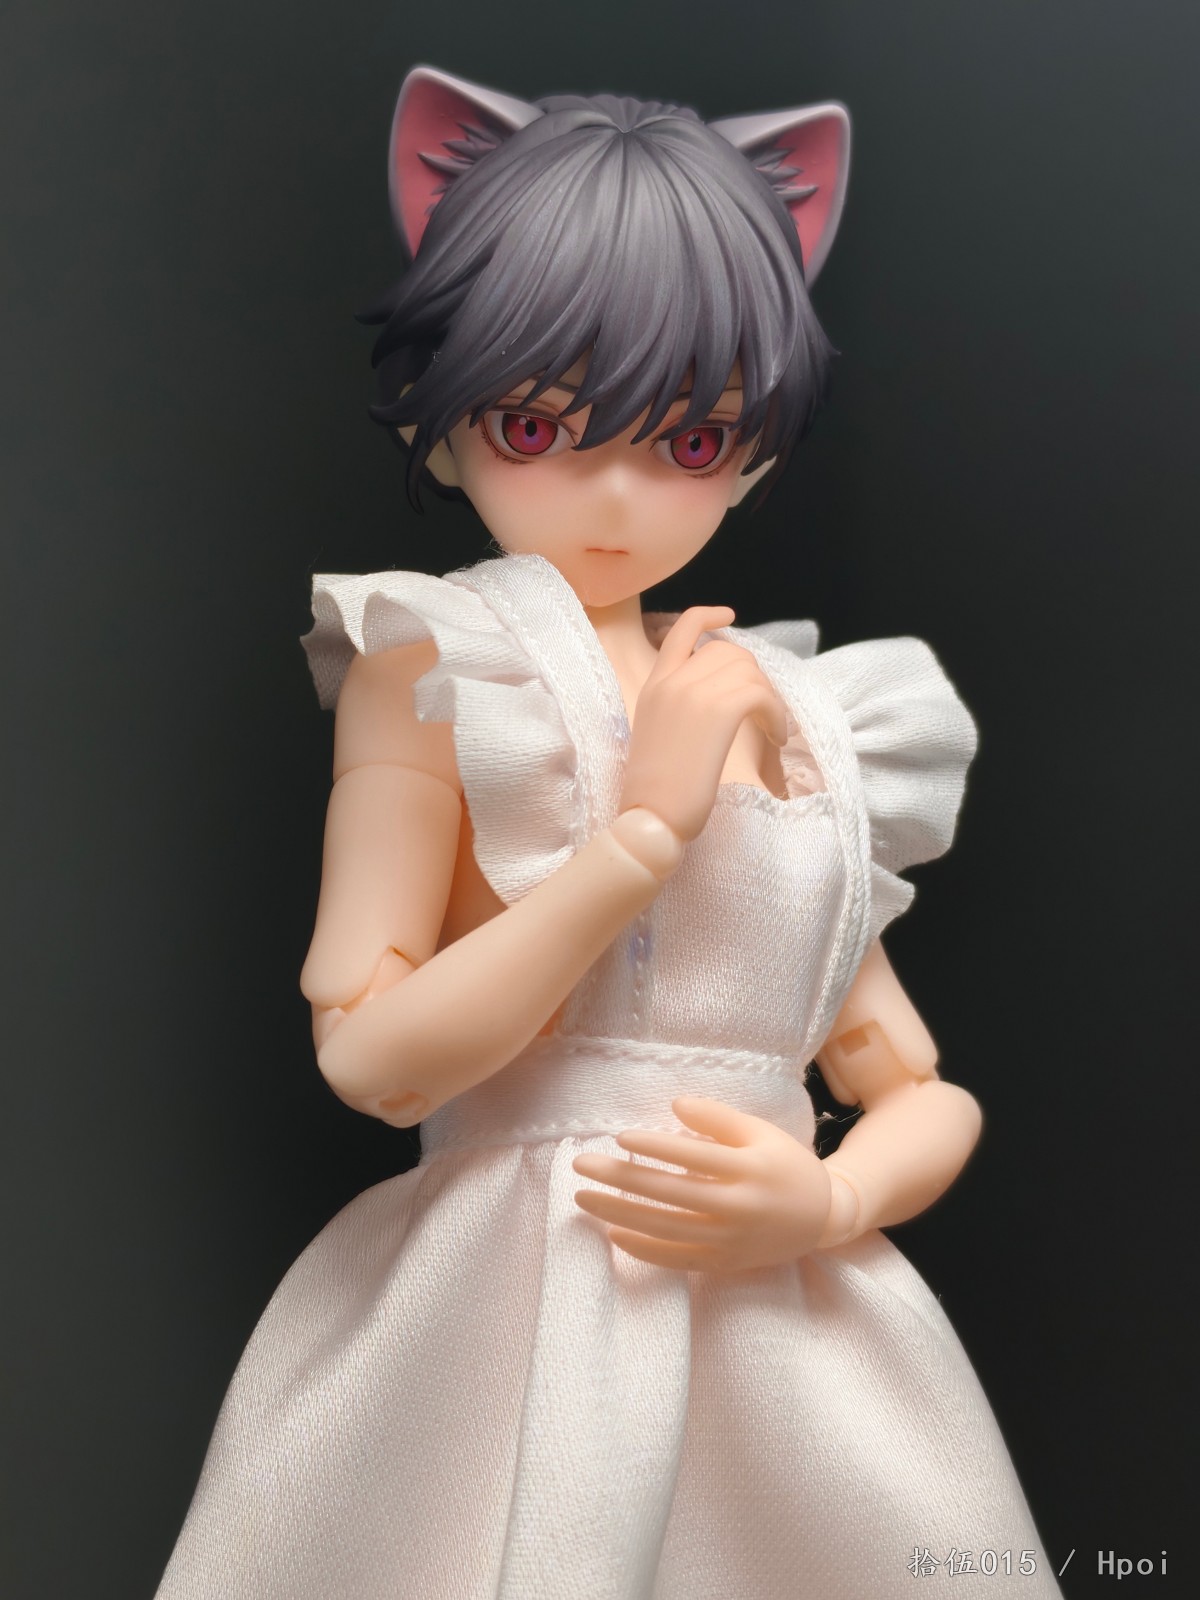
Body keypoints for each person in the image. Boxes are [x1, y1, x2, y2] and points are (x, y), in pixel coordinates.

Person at [156, 65, 1061, 1600]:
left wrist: (832, 1197)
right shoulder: (443, 661)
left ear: (755, 447)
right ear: (449, 420)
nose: (618, 497)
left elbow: (912, 1085)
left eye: (691, 443)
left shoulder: (799, 709)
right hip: (507, 1310)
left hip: (784, 1319)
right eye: (537, 422)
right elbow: (374, 1057)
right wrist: (640, 837)